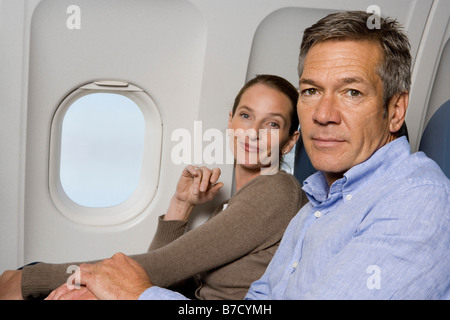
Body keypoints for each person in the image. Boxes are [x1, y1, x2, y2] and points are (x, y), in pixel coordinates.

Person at [57, 10, 449, 300]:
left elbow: (161, 271)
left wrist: (138, 295)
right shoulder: (317, 204)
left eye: (352, 92)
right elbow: (256, 305)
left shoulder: (417, 199)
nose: (324, 115)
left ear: (396, 110)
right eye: (311, 91)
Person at [0, 74, 308, 300]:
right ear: (230, 121)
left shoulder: (276, 191)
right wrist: (181, 203)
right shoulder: (231, 205)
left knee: (34, 276)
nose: (252, 132)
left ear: (290, 140)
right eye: (246, 116)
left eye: (272, 124)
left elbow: (162, 267)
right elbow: (161, 278)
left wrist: (28, 280)